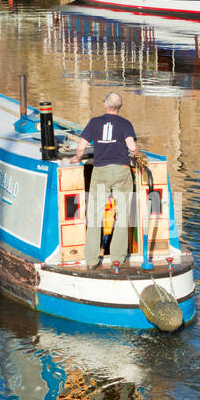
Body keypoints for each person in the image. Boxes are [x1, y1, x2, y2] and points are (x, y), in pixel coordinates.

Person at [68, 92, 140, 270]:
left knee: (94, 216)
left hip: (100, 172)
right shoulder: (125, 124)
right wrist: (138, 155)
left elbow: (81, 147)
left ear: (104, 105)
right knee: (122, 216)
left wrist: (77, 158)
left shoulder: (94, 123)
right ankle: (117, 258)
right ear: (120, 106)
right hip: (122, 172)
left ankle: (92, 260)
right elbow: (132, 147)